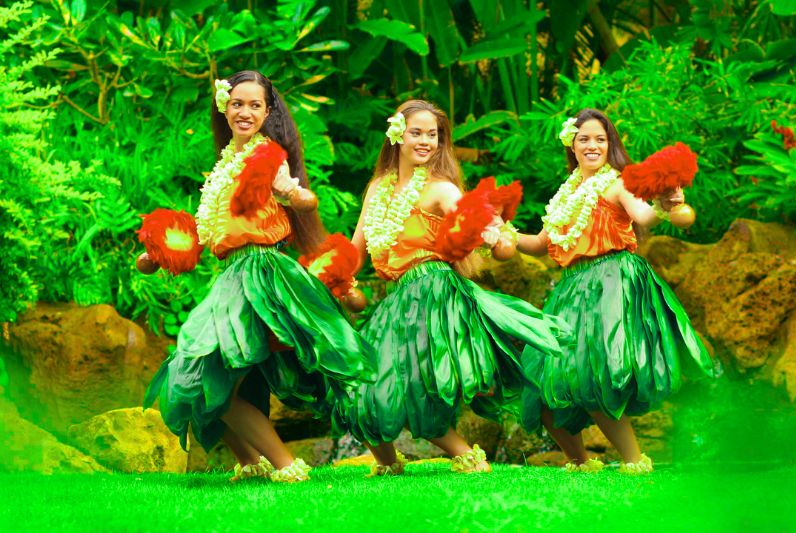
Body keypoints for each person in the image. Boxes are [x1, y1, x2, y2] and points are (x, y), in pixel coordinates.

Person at [144, 70, 375, 483]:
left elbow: (299, 197)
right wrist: (160, 252)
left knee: (209, 375)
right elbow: (209, 228)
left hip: (261, 272)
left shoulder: (268, 156)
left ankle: (286, 465)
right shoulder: (224, 164)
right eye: (237, 103)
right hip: (234, 274)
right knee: (206, 377)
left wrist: (293, 192)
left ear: (268, 112)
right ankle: (252, 461)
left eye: (255, 105)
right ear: (224, 107)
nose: (245, 111)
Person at [332, 100, 570, 475]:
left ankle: (466, 456)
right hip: (398, 300)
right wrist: (335, 277)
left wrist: (492, 232)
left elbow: (475, 222)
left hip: (434, 295)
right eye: (417, 132)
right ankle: (388, 464)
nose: (426, 141)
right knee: (360, 385)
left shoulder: (441, 190)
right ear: (397, 135)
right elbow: (356, 247)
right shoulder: (378, 188)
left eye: (433, 134)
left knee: (413, 386)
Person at [517, 108, 715, 474]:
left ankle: (635, 461)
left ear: (610, 145)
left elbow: (642, 217)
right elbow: (540, 243)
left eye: (600, 139)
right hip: (573, 288)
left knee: (592, 377)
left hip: (610, 283)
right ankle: (579, 462)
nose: (592, 145)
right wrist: (503, 233)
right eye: (584, 139)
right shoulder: (566, 194)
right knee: (543, 383)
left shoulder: (617, 183)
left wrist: (665, 205)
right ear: (571, 146)